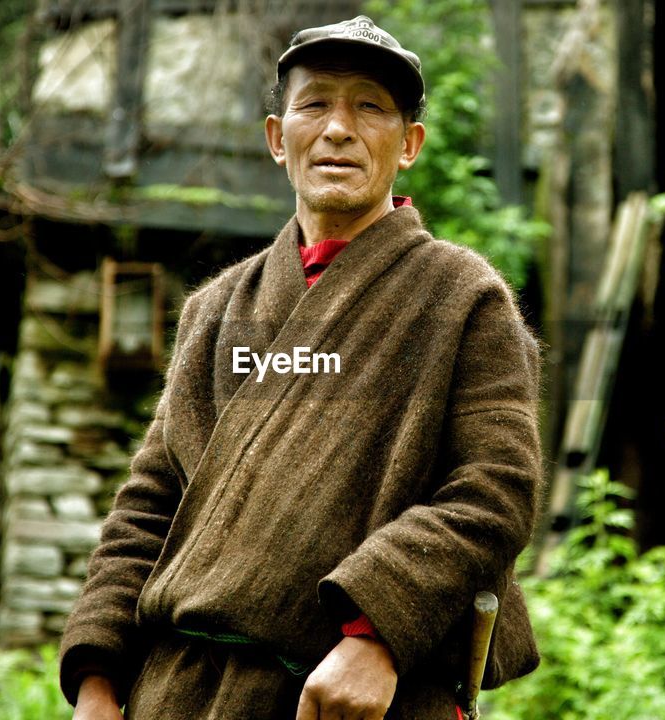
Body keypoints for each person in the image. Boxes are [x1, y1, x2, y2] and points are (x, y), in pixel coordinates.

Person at [60, 15, 542, 720]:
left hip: (355, 696)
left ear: (409, 145)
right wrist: (99, 676)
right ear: (276, 138)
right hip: (176, 692)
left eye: (370, 107)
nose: (339, 129)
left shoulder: (462, 299)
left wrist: (374, 635)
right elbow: (149, 505)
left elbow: (495, 491)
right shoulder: (216, 311)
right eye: (314, 104)